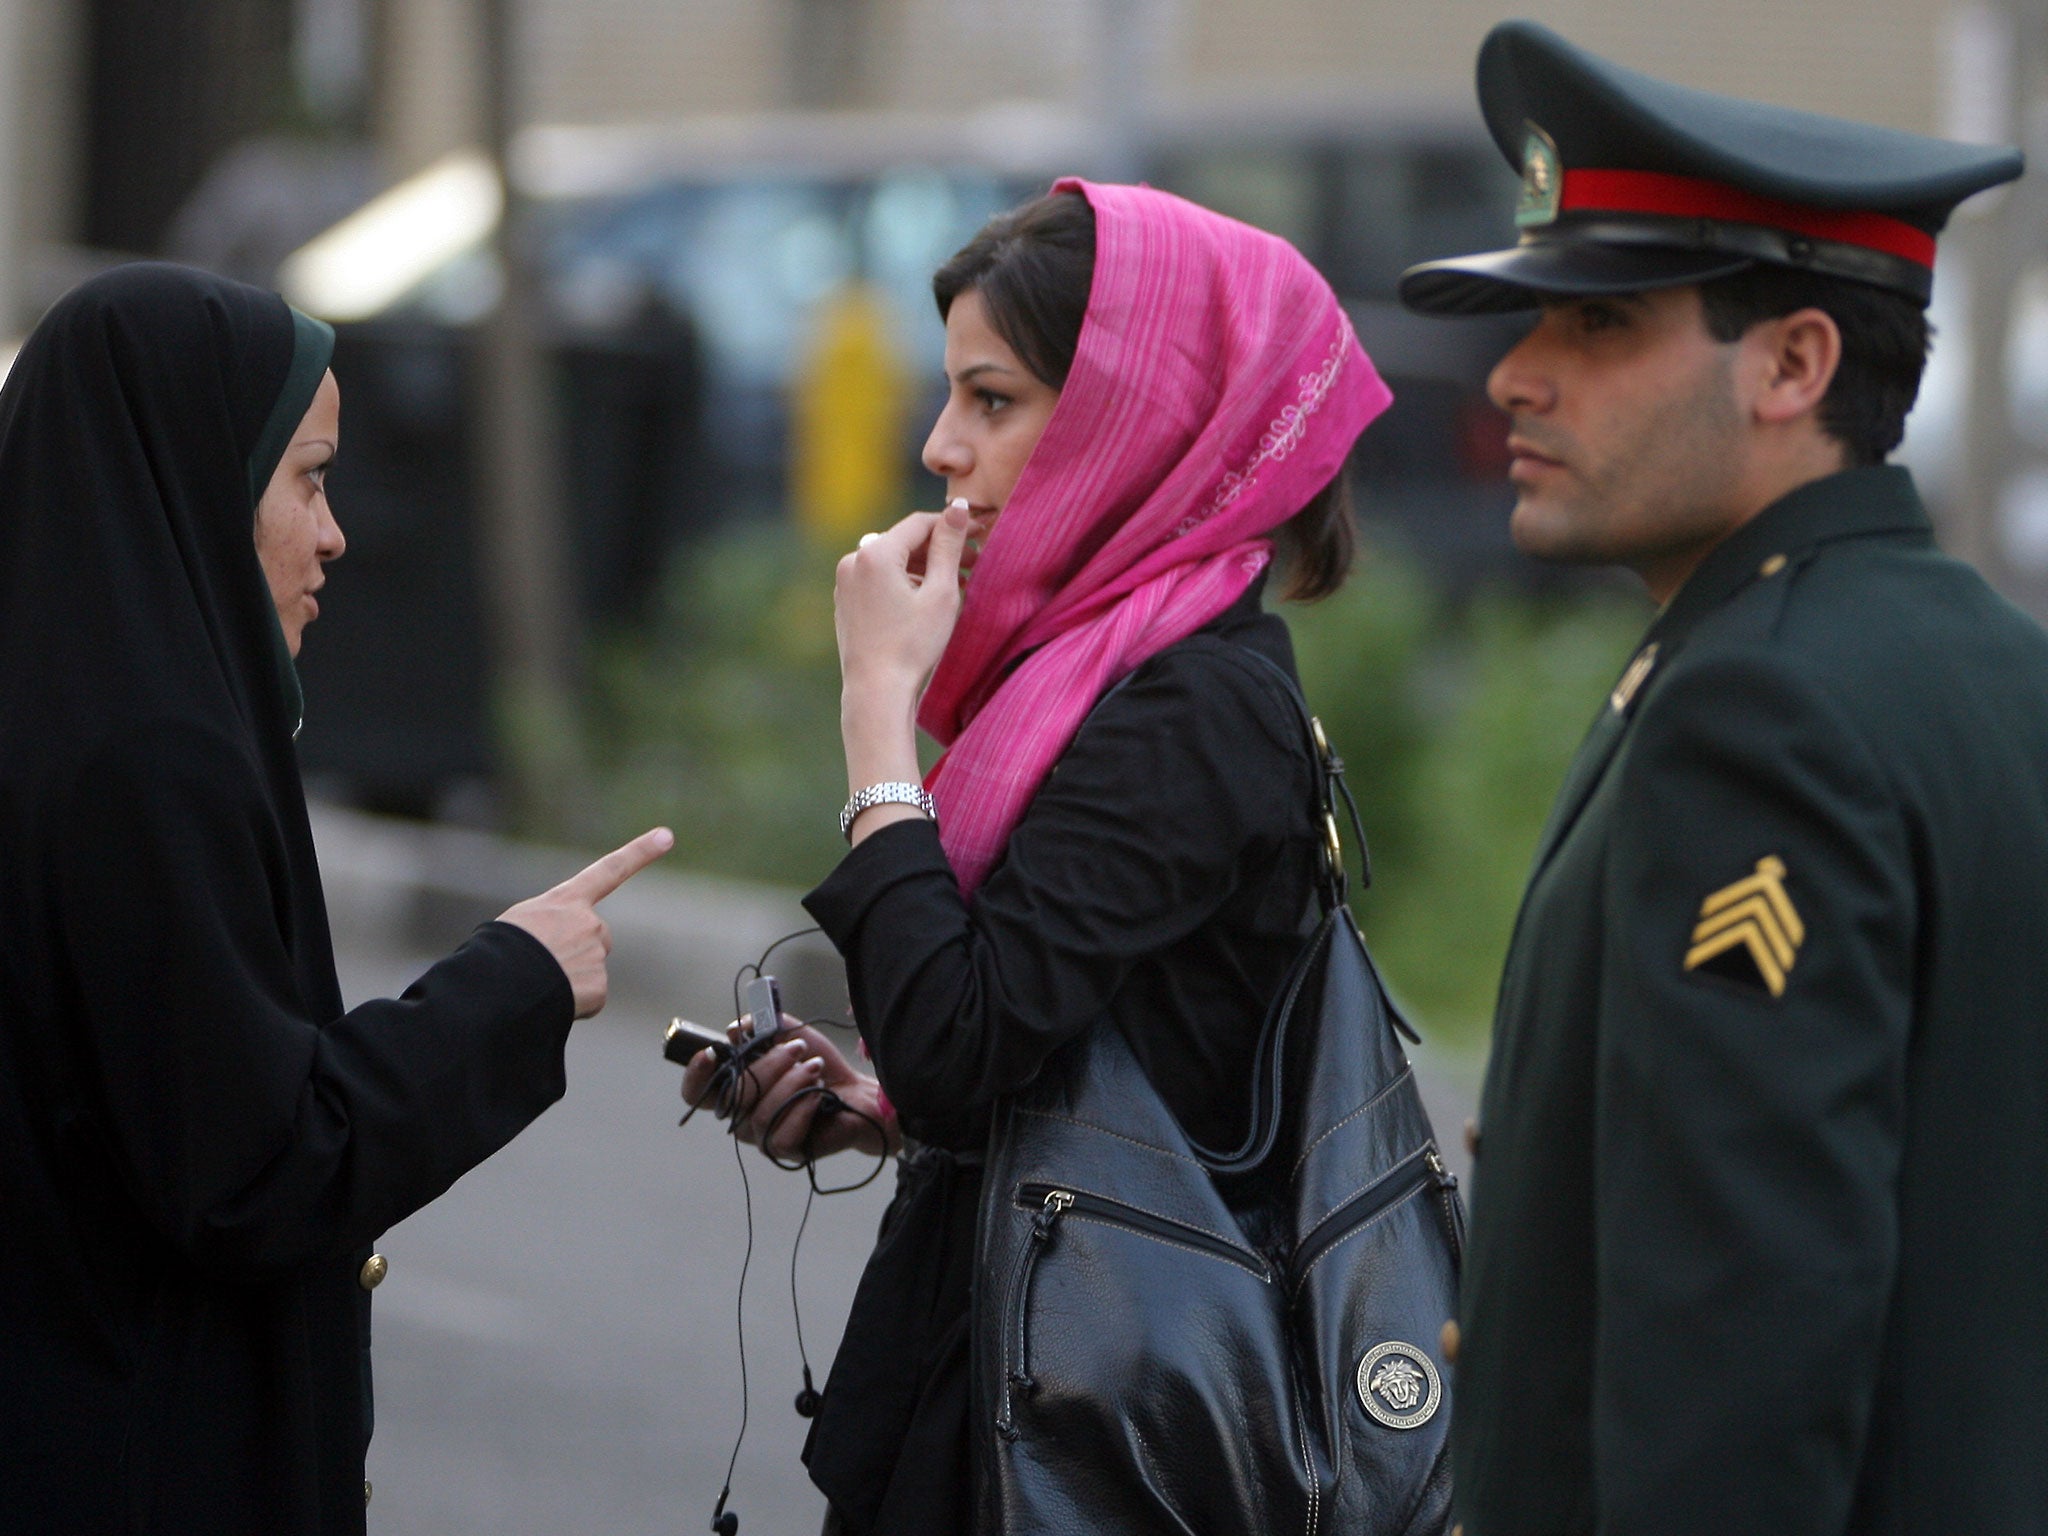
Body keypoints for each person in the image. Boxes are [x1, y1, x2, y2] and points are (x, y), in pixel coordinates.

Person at [1396, 21, 2042, 1536]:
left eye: (1599, 328)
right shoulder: (1984, 662)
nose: (1514, 379)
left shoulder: (1757, 712)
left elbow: (1745, 1329)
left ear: (1795, 365)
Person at [685, 181, 1392, 1532]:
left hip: (1076, 1444)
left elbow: (962, 1048)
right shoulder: (1093, 674)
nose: (942, 448)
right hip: (1020, 1398)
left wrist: (877, 719)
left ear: (1139, 424)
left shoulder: (1190, 707)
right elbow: (1051, 1038)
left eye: (993, 401)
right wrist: (880, 1103)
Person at [0, 263, 673, 1533]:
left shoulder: (60, 714)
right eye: (307, 476)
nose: (335, 532)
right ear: (193, 482)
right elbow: (255, 1165)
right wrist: (515, 980)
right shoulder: (148, 761)